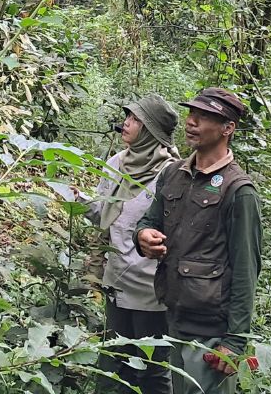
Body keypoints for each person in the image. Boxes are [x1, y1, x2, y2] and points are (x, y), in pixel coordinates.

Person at [134, 88, 262, 394]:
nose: (192, 122)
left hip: (211, 331)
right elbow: (150, 220)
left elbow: (246, 270)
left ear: (228, 128)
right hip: (175, 318)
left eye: (204, 117)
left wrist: (235, 341)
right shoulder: (173, 173)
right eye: (192, 114)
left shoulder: (239, 190)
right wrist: (143, 236)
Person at [84, 94, 181, 394]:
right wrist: (80, 202)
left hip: (151, 288)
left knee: (152, 371)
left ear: (151, 129)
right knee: (116, 364)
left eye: (136, 119)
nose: (127, 122)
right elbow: (106, 214)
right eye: (128, 116)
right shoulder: (116, 162)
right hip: (116, 279)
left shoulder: (171, 173)